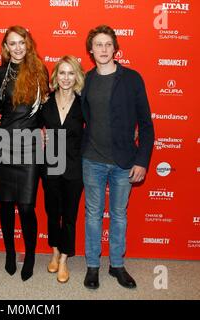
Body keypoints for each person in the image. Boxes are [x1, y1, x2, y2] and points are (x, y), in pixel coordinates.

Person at [81, 25, 154, 289]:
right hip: (92, 160)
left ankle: (117, 265)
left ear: (115, 48)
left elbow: (146, 125)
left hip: (125, 161)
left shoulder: (132, 78)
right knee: (92, 214)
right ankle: (92, 266)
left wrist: (142, 160)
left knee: (119, 214)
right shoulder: (86, 80)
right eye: (98, 44)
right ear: (90, 50)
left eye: (107, 44)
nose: (102, 49)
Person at [0, 25, 49, 281]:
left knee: (26, 206)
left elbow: (47, 107)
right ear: (6, 47)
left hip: (30, 146)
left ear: (28, 44)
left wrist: (46, 129)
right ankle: (10, 252)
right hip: (3, 144)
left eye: (21, 42)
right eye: (11, 43)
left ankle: (31, 254)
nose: (17, 48)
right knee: (5, 204)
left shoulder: (40, 71)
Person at [40, 56, 84, 283]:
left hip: (75, 168)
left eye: (71, 73)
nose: (66, 78)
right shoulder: (46, 102)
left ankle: (65, 259)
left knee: (69, 215)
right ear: (55, 76)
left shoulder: (84, 102)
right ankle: (55, 251)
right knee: (52, 212)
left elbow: (96, 130)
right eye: (62, 73)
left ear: (76, 76)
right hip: (50, 166)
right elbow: (32, 126)